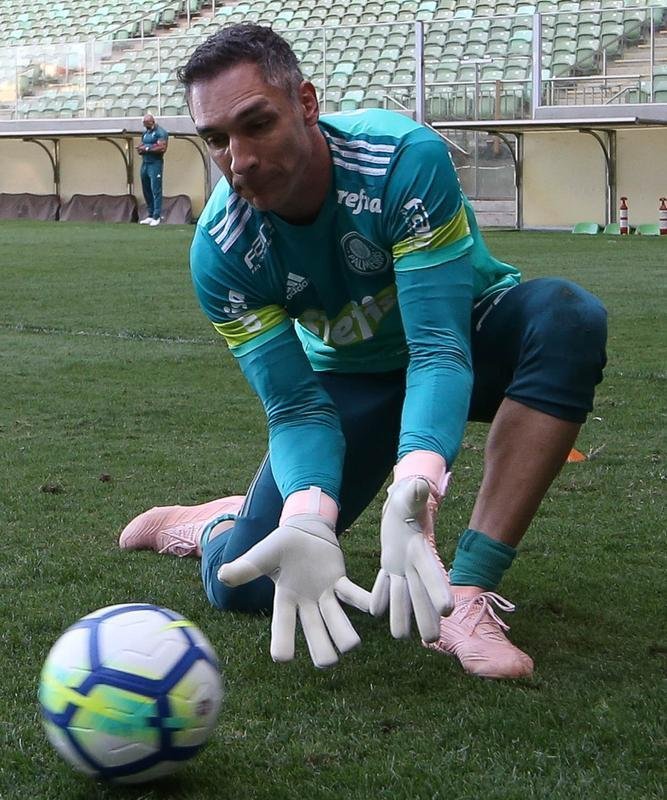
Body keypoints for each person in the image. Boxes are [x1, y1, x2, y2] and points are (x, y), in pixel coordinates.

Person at [120, 23, 607, 678]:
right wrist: (307, 517)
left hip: (469, 335)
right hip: (354, 376)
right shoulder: (222, 250)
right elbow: (296, 408)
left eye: (257, 124)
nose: (239, 159)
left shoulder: (401, 159)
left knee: (567, 319)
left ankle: (466, 595)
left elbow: (437, 345)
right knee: (247, 584)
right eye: (216, 139)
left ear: (307, 104)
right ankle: (216, 524)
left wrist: (416, 480)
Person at [137, 113, 169, 226]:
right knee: (146, 189)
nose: (145, 125)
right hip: (145, 163)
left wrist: (146, 148)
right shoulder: (145, 133)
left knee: (156, 189)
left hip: (155, 164)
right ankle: (150, 214)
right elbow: (140, 146)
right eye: (144, 124)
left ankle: (156, 216)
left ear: (152, 122)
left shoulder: (161, 132)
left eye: (146, 123)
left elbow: (162, 148)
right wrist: (143, 148)